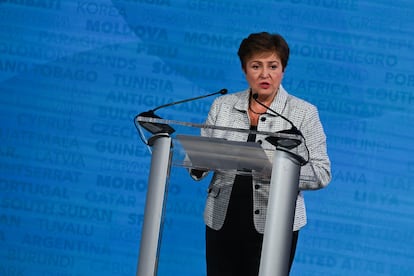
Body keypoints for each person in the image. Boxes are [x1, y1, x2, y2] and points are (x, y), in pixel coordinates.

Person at [190, 32, 331, 276]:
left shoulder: (303, 113)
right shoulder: (223, 106)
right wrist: (201, 161)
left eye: (272, 66)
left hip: (277, 222)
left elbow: (321, 173)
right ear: (245, 70)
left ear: (283, 70)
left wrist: (278, 168)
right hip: (222, 218)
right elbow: (196, 161)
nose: (264, 74)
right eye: (256, 66)